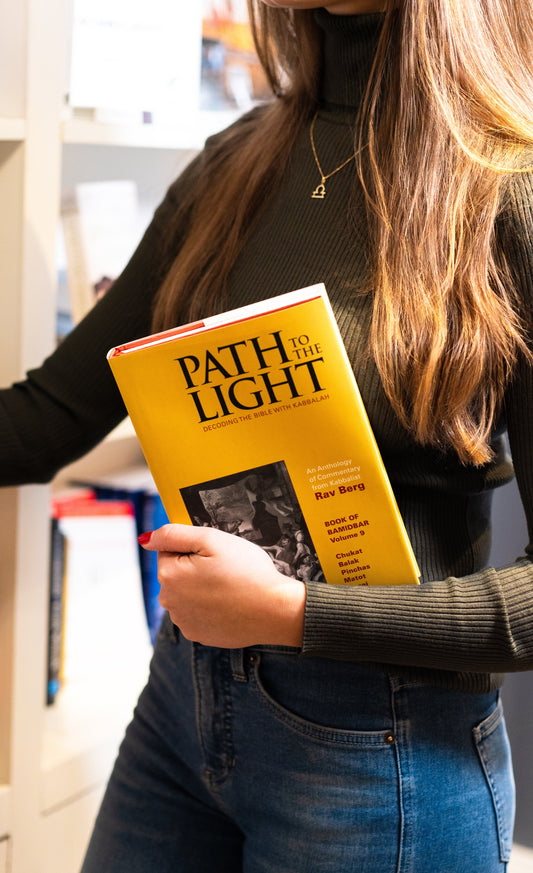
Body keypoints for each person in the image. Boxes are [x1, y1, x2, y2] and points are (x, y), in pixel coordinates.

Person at [2, 0, 533, 870]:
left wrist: (296, 614)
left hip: (384, 751)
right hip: (184, 703)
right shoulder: (237, 163)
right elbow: (44, 418)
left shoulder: (507, 189)